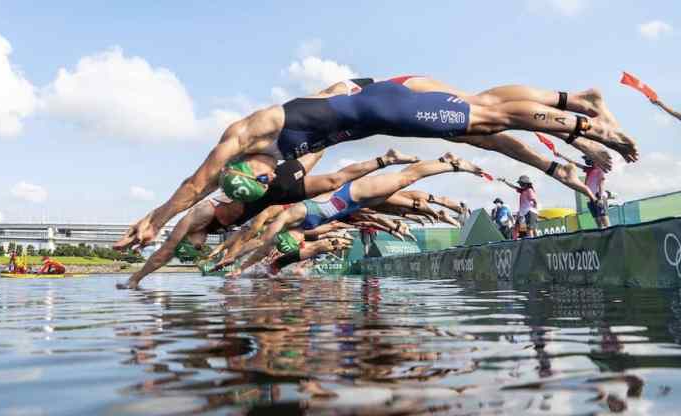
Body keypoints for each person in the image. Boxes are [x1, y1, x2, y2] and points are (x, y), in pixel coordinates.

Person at [115, 76, 636, 251]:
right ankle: (570, 139)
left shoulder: (250, 133)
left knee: (487, 119)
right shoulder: (281, 168)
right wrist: (159, 225)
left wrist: (157, 218)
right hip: (385, 106)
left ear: (245, 167)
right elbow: (205, 195)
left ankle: (587, 124)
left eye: (259, 179)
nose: (269, 181)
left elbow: (196, 182)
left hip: (386, 101)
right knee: (486, 126)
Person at [116, 149, 418, 289]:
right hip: (276, 198)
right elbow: (244, 239)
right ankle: (381, 160)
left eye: (194, 245)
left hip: (273, 186)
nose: (198, 246)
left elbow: (166, 250)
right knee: (331, 182)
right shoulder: (214, 229)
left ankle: (381, 157)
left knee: (327, 169)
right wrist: (231, 264)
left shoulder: (200, 215)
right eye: (198, 248)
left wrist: (135, 278)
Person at [232, 153, 485, 274]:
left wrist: (235, 258)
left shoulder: (292, 215)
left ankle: (451, 163)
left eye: (297, 245)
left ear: (294, 239)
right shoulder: (311, 232)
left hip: (353, 193)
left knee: (407, 178)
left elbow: (263, 241)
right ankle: (443, 160)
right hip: (357, 204)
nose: (302, 247)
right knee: (404, 193)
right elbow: (266, 250)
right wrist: (240, 268)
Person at [554, 152, 610, 228]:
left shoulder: (600, 170)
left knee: (604, 219)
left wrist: (600, 198)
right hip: (591, 197)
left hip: (598, 196)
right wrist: (562, 156)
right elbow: (575, 163)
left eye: (588, 158)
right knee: (598, 221)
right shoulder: (589, 169)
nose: (587, 160)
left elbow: (601, 184)